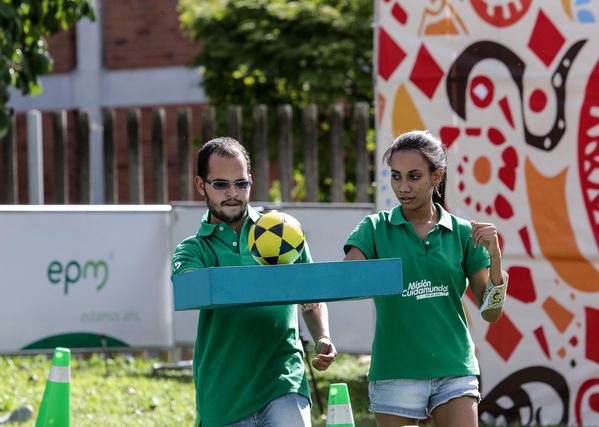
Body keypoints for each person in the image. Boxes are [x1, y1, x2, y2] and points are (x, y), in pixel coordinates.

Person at [343, 130, 508, 427]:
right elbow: (348, 279)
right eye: (395, 176)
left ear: (437, 176)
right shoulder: (373, 228)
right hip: (396, 370)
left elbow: (492, 313)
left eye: (413, 176)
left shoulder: (462, 233)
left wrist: (495, 258)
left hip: (454, 368)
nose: (402, 187)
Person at [171, 137, 337, 427]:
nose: (233, 193)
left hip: (283, 379)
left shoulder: (282, 231)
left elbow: (310, 296)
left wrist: (322, 336)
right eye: (221, 184)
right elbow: (189, 290)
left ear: (251, 181)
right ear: (201, 185)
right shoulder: (193, 250)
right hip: (223, 395)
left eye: (241, 183)